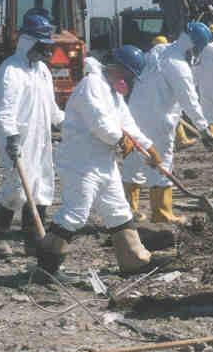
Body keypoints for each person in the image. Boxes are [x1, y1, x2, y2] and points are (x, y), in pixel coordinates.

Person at [36, 47, 164, 276]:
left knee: (119, 211)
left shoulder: (113, 93)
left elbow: (128, 125)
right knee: (75, 213)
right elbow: (100, 125)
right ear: (116, 68)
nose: (128, 79)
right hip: (80, 162)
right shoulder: (92, 85)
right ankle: (46, 268)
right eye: (127, 74)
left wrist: (148, 147)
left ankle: (134, 260)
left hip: (103, 161)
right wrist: (120, 138)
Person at [122, 23, 213, 224]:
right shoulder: (179, 66)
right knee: (161, 165)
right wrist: (203, 130)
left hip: (134, 117)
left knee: (133, 164)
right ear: (195, 46)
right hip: (159, 122)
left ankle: (128, 212)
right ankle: (162, 215)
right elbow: (190, 101)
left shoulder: (158, 50)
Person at [0, 13, 65, 256]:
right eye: (42, 47)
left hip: (41, 138)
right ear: (28, 42)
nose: (47, 53)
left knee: (42, 184)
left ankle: (32, 242)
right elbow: (5, 109)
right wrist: (11, 137)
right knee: (17, 188)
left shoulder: (42, 70)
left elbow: (51, 106)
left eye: (48, 48)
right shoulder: (11, 70)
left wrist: (66, 123)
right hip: (17, 140)